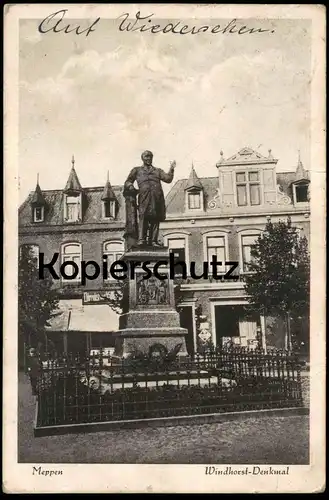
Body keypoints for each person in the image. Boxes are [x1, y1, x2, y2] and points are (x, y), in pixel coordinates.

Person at [124, 151, 176, 246]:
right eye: (146, 157)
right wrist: (131, 186)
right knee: (143, 217)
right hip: (144, 197)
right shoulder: (137, 170)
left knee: (155, 218)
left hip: (157, 197)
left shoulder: (157, 171)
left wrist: (171, 169)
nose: (148, 159)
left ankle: (153, 241)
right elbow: (128, 181)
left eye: (150, 157)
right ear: (142, 158)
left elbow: (168, 179)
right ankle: (141, 240)